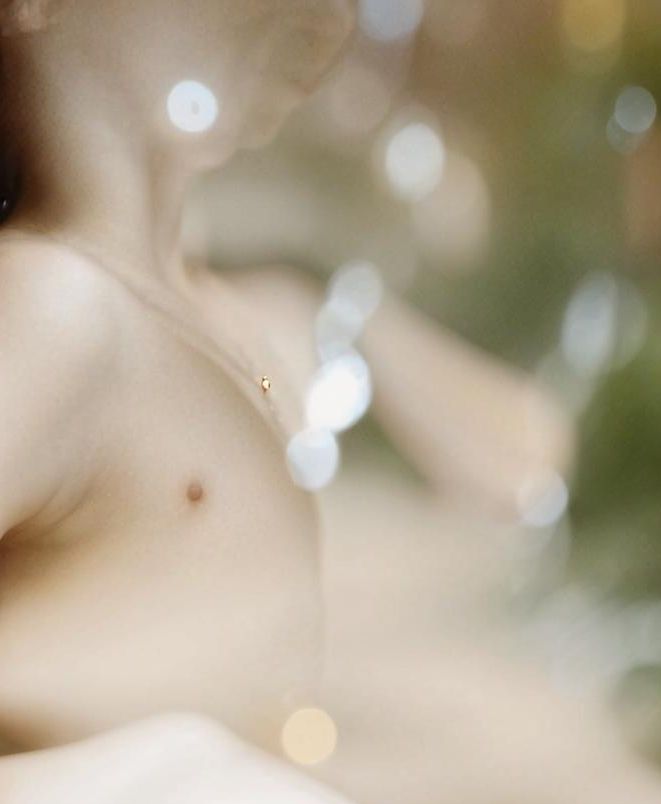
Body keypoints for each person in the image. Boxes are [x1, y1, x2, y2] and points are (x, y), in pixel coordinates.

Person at [0, 0, 569, 749]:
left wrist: (340, 308)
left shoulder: (229, 321)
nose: (329, 16)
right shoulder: (59, 307)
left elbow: (528, 466)